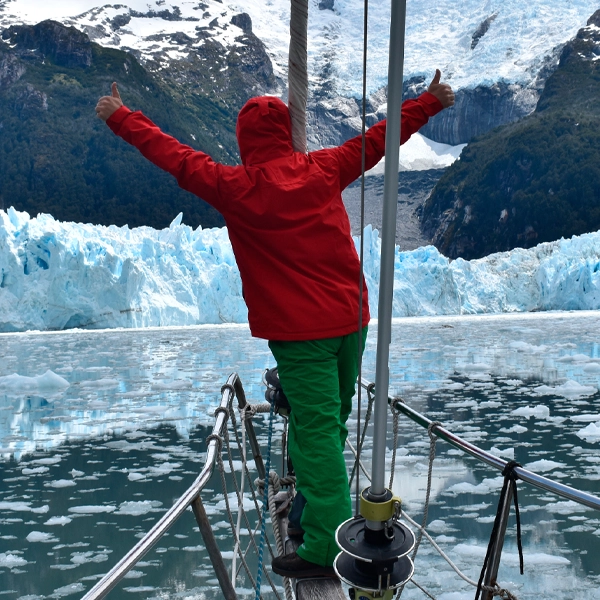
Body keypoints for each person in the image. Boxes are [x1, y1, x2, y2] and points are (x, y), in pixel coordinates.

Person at [96, 72, 454, 578]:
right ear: (289, 136)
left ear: (244, 143)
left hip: (301, 333)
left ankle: (325, 550)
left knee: (314, 434)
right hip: (351, 319)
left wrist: (121, 118)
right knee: (329, 423)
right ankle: (314, 509)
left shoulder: (234, 186)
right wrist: (429, 103)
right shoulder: (325, 166)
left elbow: (172, 155)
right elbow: (379, 139)